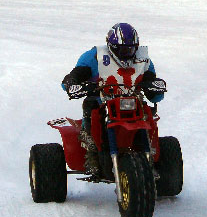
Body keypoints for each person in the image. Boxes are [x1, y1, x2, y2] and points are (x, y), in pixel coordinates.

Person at [61, 23, 166, 175]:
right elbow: (76, 74)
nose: (127, 53)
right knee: (90, 105)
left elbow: (152, 86)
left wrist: (154, 88)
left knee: (148, 112)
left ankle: (150, 152)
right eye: (123, 49)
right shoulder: (95, 56)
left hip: (132, 101)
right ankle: (91, 150)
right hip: (102, 100)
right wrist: (73, 84)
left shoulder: (143, 60)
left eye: (131, 49)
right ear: (112, 46)